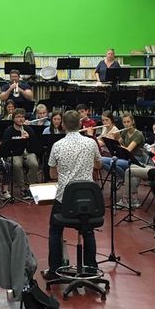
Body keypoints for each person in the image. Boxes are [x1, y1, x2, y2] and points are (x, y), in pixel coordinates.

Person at [43, 110, 102, 280]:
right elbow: (98, 165)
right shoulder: (90, 143)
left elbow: (53, 174)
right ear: (81, 125)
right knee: (88, 231)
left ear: (62, 125)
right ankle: (91, 268)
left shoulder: (58, 145)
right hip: (89, 199)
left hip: (65, 198)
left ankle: (54, 270)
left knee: (55, 230)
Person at [2, 108, 39, 200]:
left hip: (27, 152)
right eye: (18, 117)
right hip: (14, 154)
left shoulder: (29, 129)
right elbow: (6, 147)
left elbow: (35, 146)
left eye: (22, 117)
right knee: (17, 164)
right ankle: (22, 188)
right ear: (13, 119)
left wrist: (29, 139)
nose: (21, 119)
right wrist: (19, 140)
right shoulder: (8, 131)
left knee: (34, 164)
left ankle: (31, 187)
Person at [101, 112, 148, 182]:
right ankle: (121, 176)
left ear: (133, 122)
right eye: (124, 122)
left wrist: (117, 144)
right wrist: (111, 139)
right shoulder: (125, 132)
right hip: (125, 157)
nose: (126, 124)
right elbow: (118, 144)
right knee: (100, 160)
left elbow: (128, 149)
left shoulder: (138, 134)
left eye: (128, 122)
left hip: (135, 159)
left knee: (112, 162)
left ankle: (123, 177)